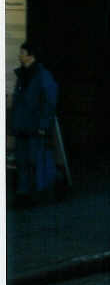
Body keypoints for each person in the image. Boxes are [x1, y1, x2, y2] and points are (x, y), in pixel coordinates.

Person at [11, 41, 58, 206]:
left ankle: (34, 194)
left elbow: (50, 101)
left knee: (34, 161)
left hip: (33, 126)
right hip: (22, 126)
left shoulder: (42, 75)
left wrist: (43, 124)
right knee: (22, 161)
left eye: (22, 53)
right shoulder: (23, 75)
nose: (20, 56)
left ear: (31, 56)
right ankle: (24, 194)